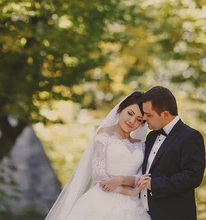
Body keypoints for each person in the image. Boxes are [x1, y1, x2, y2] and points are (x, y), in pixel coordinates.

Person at [45, 91, 151, 220]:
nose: (132, 121)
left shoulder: (141, 144)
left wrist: (122, 180)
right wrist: (127, 190)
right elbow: (98, 174)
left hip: (133, 204)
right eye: (130, 113)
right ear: (120, 110)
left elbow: (141, 176)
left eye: (139, 120)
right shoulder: (104, 134)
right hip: (102, 200)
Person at [137, 86, 205, 220]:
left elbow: (192, 177)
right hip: (143, 214)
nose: (144, 118)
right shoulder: (151, 137)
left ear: (165, 114)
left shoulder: (190, 136)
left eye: (149, 115)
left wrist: (154, 184)